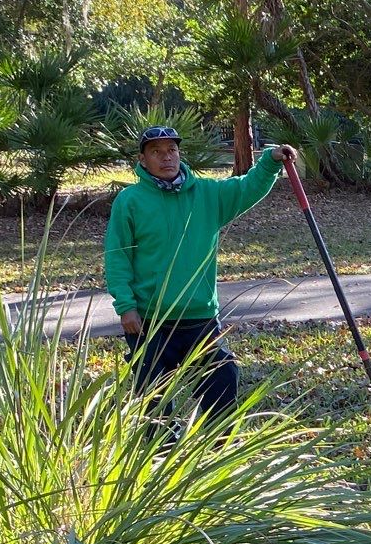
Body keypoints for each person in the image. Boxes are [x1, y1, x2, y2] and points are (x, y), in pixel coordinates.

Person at [104, 124, 298, 418]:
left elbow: (247, 187)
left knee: (223, 377)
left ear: (179, 154)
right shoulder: (130, 201)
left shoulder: (207, 193)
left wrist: (270, 162)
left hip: (200, 317)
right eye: (156, 152)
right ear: (143, 160)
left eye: (172, 150)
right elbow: (117, 257)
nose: (166, 157)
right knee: (153, 398)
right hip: (149, 320)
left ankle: (214, 449)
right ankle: (160, 454)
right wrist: (126, 306)